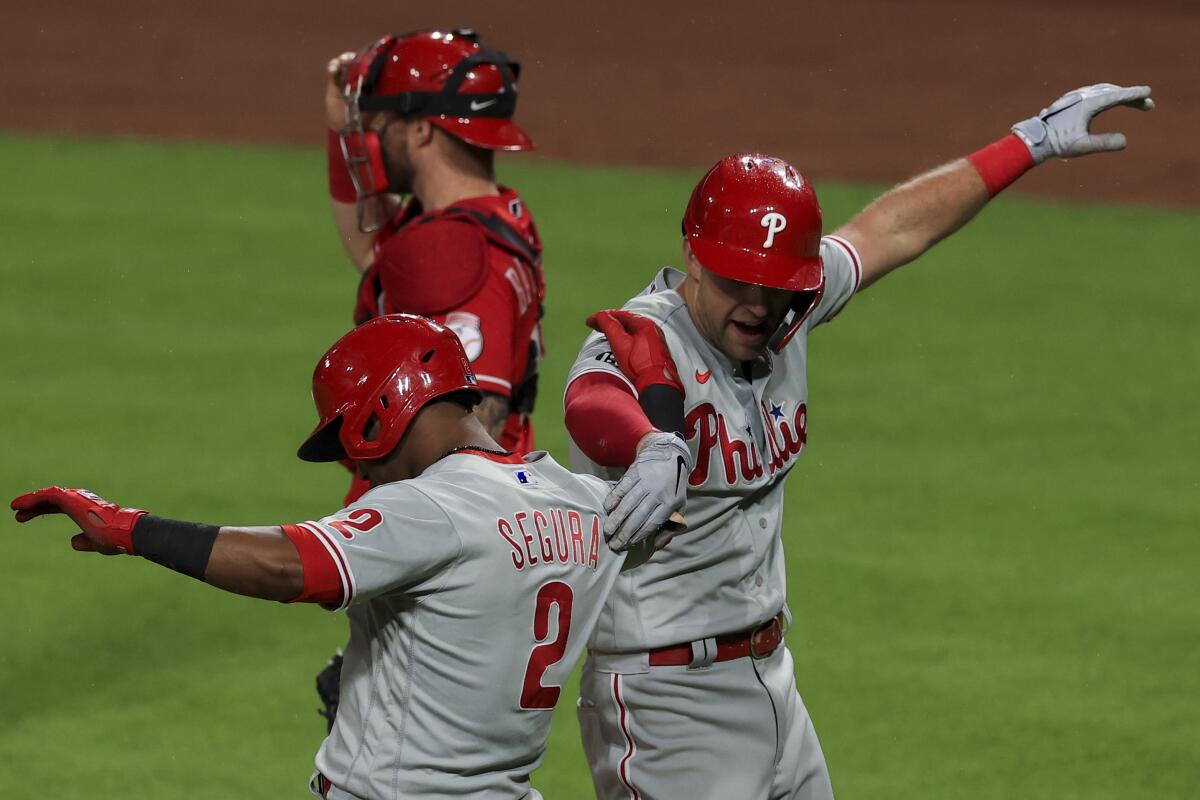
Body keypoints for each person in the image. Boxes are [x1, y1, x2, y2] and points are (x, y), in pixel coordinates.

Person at [562, 83, 1154, 799]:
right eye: (736, 280)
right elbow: (590, 399)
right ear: (693, 254)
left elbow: (892, 230)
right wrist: (651, 443)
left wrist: (1027, 143)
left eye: (775, 285)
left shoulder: (789, 316)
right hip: (665, 702)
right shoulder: (646, 335)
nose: (756, 303)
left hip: (772, 679)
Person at [12, 314, 644, 800]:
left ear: (383, 414)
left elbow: (288, 566)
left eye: (348, 439)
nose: (356, 466)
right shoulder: (586, 503)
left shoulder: (432, 507)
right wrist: (662, 429)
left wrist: (127, 528)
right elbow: (679, 522)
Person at [324, 29, 545, 491]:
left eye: (379, 122)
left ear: (421, 128)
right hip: (467, 509)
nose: (368, 137)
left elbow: (475, 423)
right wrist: (339, 128)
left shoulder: (451, 249)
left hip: (433, 520)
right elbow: (370, 251)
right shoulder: (486, 216)